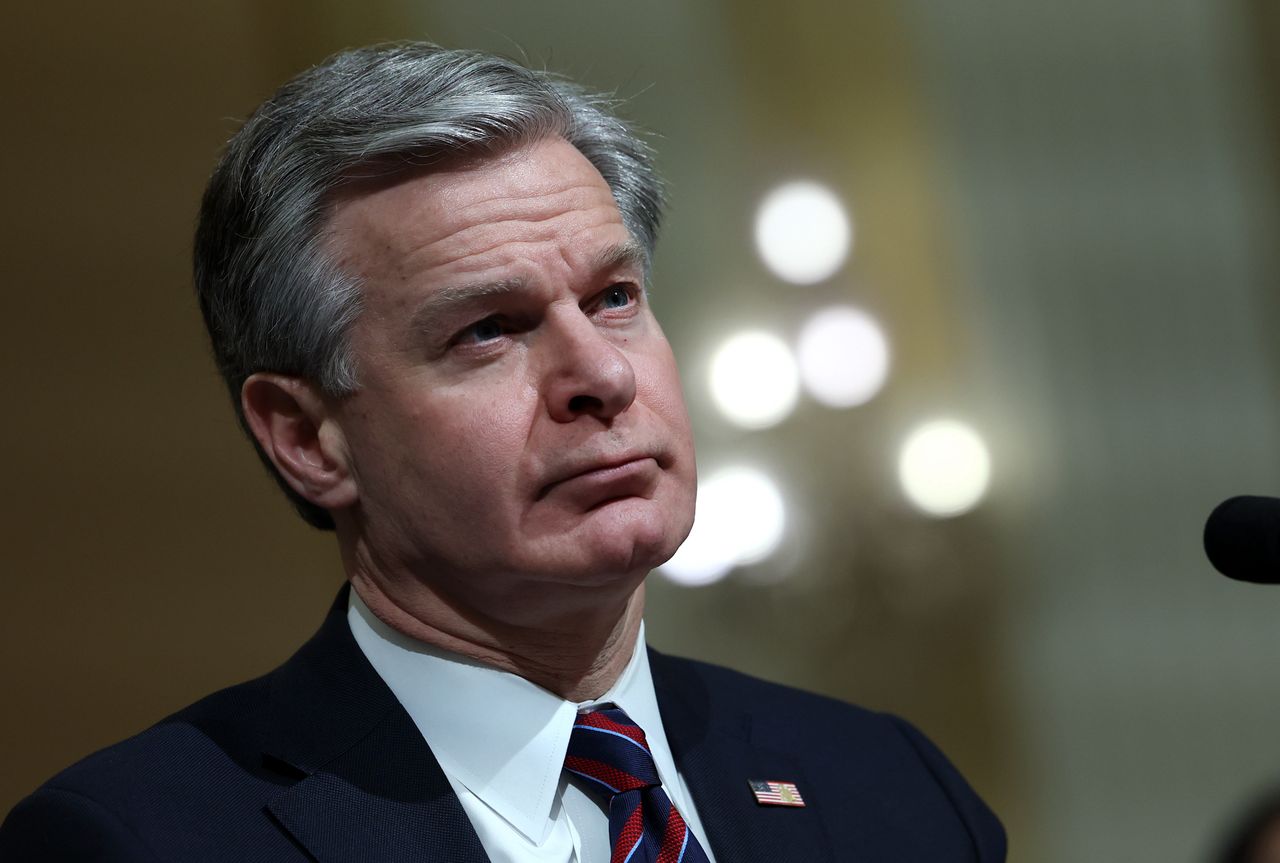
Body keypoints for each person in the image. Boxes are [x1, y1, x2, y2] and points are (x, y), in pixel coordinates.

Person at [0, 42, 1005, 862]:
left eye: (613, 298)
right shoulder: (139, 840)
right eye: (487, 327)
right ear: (309, 438)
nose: (599, 376)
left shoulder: (891, 789)